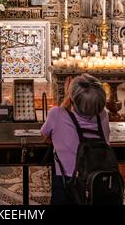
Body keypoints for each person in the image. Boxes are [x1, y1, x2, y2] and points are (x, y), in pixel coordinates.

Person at [40, 74, 110, 205]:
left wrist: (68, 97)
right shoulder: (103, 116)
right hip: (98, 179)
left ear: (72, 99)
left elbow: (44, 134)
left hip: (66, 182)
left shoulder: (56, 114)